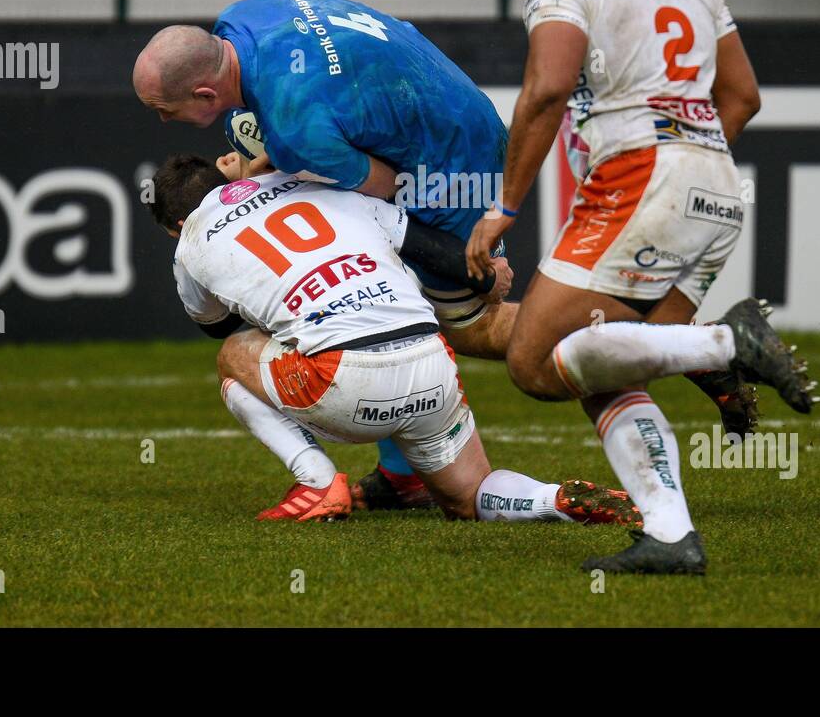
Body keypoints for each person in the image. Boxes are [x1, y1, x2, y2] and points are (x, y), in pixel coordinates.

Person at [465, 0, 820, 574]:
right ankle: (669, 534)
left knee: (533, 361)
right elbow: (743, 96)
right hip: (717, 184)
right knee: (603, 366)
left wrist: (505, 207)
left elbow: (549, 88)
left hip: (640, 177)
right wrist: (690, 157)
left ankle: (725, 347)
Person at [132, 0, 517, 511]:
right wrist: (278, 169)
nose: (162, 121)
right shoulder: (241, 19)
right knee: (377, 279)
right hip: (432, 88)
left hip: (447, 154)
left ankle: (587, 329)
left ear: (204, 93)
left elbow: (385, 185)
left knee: (472, 325)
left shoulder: (295, 131)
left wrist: (471, 258)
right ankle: (402, 477)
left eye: (162, 110)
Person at [148, 152, 642, 529]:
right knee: (468, 498)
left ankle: (316, 480)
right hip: (432, 364)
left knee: (233, 356)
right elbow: (425, 245)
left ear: (174, 227)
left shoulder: (191, 240)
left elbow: (213, 323)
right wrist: (489, 279)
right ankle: (553, 499)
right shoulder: (321, 185)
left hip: (340, 382)